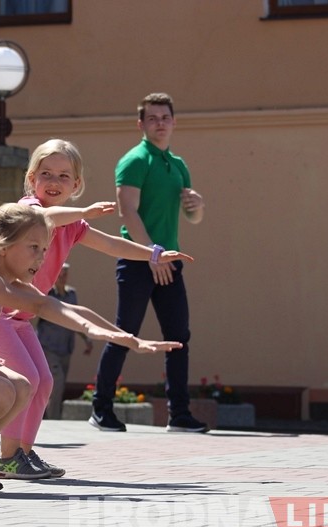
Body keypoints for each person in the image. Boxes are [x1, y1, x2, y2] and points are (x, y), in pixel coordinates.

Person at [0, 204, 181, 494]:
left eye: (45, 249)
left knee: (21, 387)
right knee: (2, 392)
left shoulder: (4, 280)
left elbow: (53, 305)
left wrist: (129, 339)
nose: (41, 257)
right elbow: (41, 307)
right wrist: (91, 331)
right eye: (33, 247)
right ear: (3, 245)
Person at [0, 138, 193, 479]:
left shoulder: (75, 226)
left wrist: (154, 253)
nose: (54, 181)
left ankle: (24, 454)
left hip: (20, 317)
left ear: (76, 184)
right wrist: (83, 211)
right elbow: (43, 217)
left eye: (64, 176)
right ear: (32, 179)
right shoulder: (28, 210)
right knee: (27, 379)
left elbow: (112, 244)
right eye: (46, 174)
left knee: (44, 381)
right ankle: (7, 459)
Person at [92, 92, 208, 433]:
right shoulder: (134, 160)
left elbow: (193, 217)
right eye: (153, 118)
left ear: (174, 122)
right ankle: (101, 409)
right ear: (140, 124)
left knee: (178, 337)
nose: (160, 123)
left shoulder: (179, 164)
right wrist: (150, 252)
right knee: (124, 333)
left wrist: (198, 207)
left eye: (165, 118)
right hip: (137, 260)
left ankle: (179, 414)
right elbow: (128, 211)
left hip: (169, 260)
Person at [37, 263, 94, 420]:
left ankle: (46, 416)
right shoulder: (47, 294)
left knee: (58, 386)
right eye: (59, 274)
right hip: (48, 347)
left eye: (65, 274)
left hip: (66, 348)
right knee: (57, 382)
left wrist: (86, 339)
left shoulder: (71, 294)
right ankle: (53, 420)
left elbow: (75, 320)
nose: (62, 278)